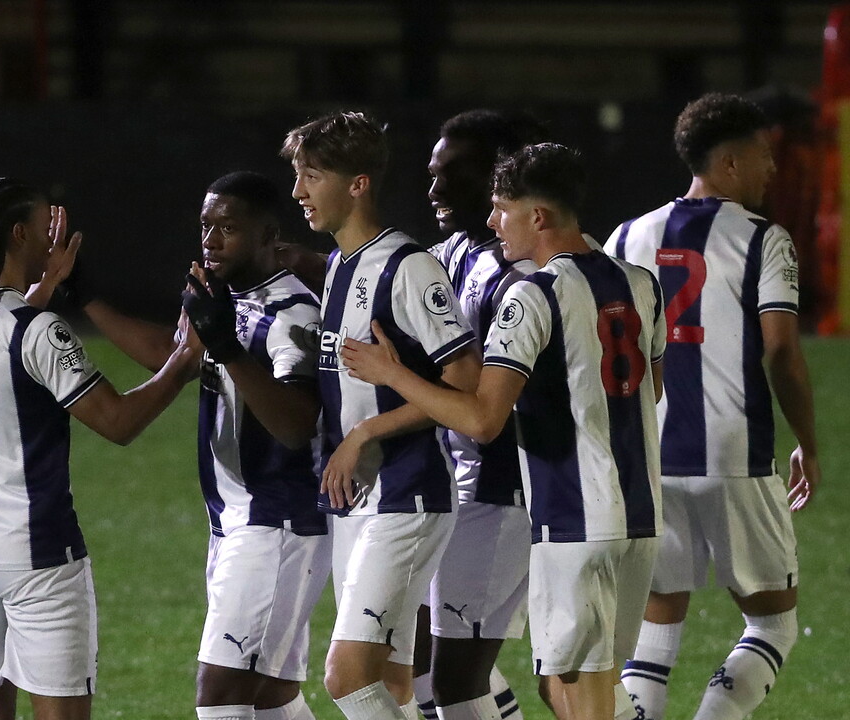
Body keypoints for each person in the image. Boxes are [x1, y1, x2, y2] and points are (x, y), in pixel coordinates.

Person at [340, 143, 667, 720]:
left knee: (582, 692)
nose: (492, 222)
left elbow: (482, 420)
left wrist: (390, 372)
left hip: (573, 518)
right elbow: (652, 388)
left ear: (537, 216)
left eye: (502, 209)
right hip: (640, 516)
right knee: (588, 688)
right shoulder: (639, 283)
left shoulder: (532, 294)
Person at [47, 171, 331, 720]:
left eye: (229, 227)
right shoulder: (221, 294)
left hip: (277, 524)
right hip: (238, 521)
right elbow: (176, 354)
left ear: (270, 235)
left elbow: (297, 424)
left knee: (219, 693)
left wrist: (226, 345)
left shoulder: (293, 313)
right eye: (206, 225)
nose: (213, 238)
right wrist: (87, 300)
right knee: (270, 695)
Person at [0, 177, 200, 720]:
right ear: (19, 233)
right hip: (37, 554)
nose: (57, 234)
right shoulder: (38, 331)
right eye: (47, 224)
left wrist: (45, 285)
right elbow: (118, 421)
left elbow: (0, 345)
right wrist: (182, 360)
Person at [605, 92, 820, 720]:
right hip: (735, 453)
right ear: (727, 163)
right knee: (772, 626)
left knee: (656, 626)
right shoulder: (764, 240)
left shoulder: (627, 235)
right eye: (762, 157)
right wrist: (807, 438)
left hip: (650, 455)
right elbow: (782, 352)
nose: (771, 171)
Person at [280, 110, 483, 720]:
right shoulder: (340, 265)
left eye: (311, 177)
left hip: (407, 496)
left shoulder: (409, 267)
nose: (298, 193)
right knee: (392, 681)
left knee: (345, 677)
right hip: (358, 502)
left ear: (358, 183)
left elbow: (465, 382)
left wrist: (367, 430)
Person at [414, 109, 551, 720]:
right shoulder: (452, 253)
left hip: (500, 494)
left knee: (456, 680)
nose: (436, 190)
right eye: (433, 173)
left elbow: (495, 412)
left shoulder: (521, 276)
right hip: (454, 490)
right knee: (425, 661)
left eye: (455, 174)